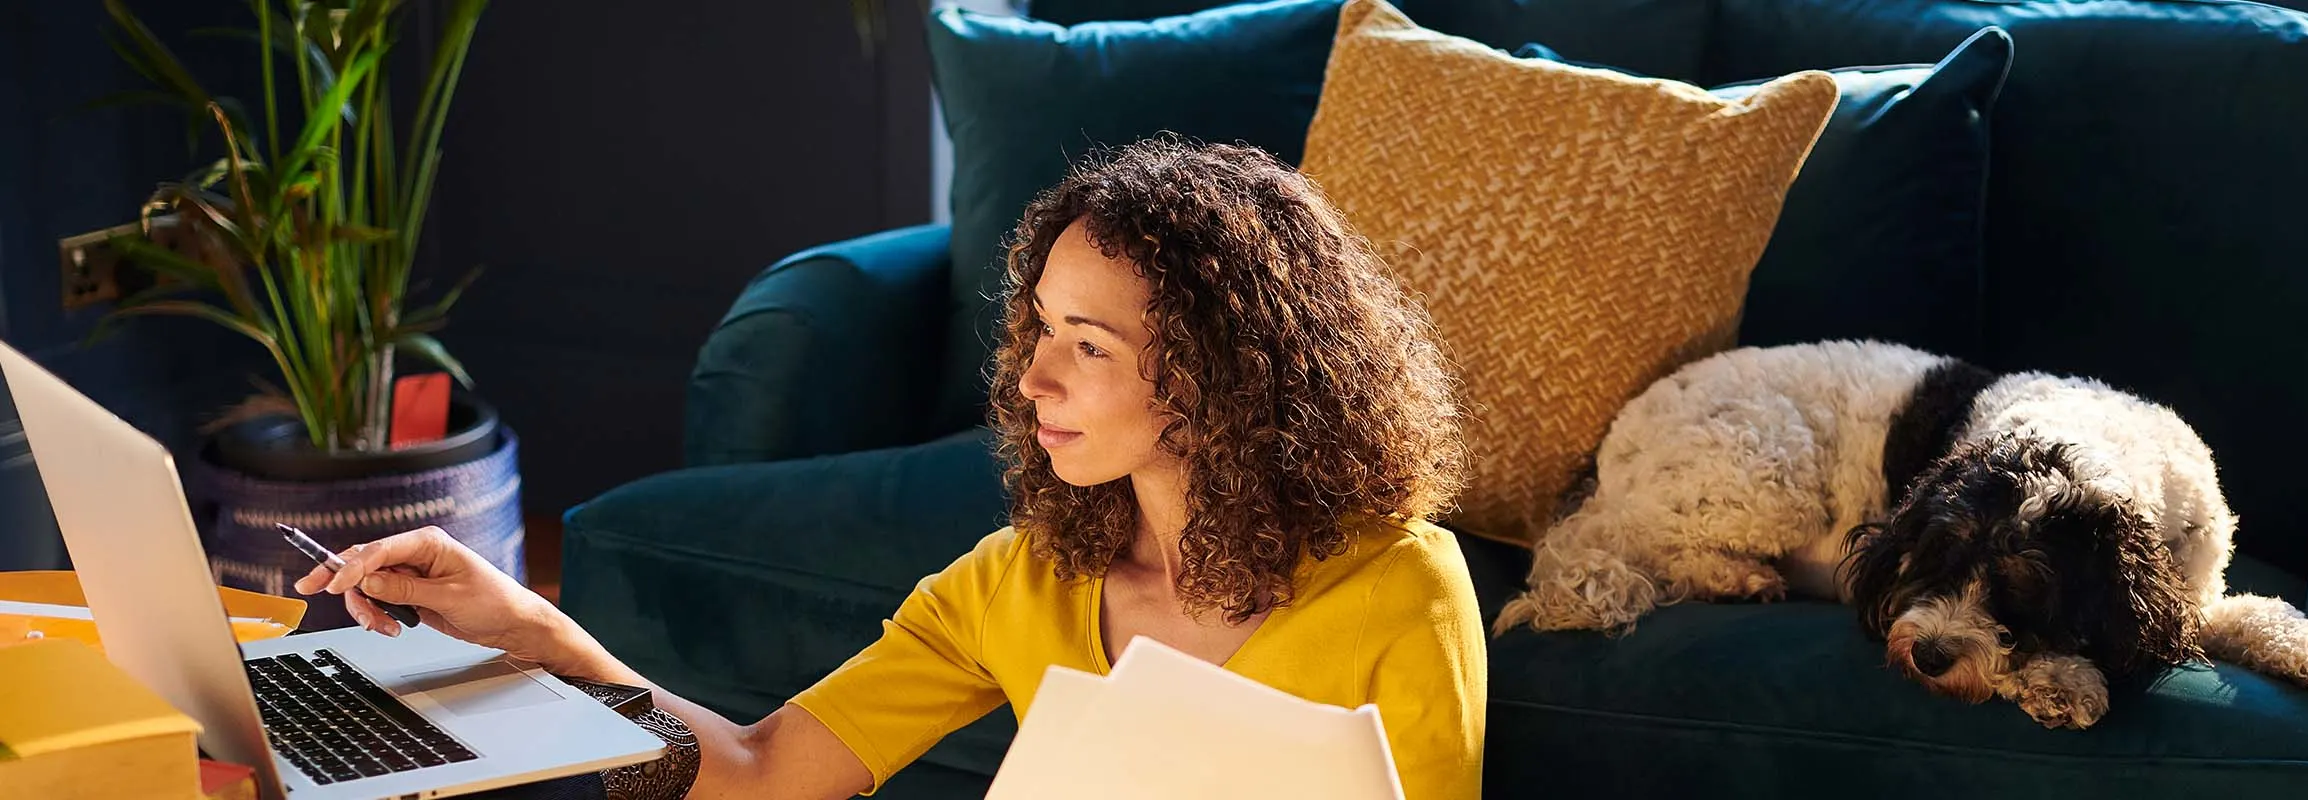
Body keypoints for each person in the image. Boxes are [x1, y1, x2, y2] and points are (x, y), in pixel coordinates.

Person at [297, 137, 1486, 799]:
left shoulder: (1400, 593)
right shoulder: (1019, 581)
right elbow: (762, 775)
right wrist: (535, 633)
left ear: (1219, 377)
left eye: (1090, 346)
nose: (1033, 382)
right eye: (1039, 333)